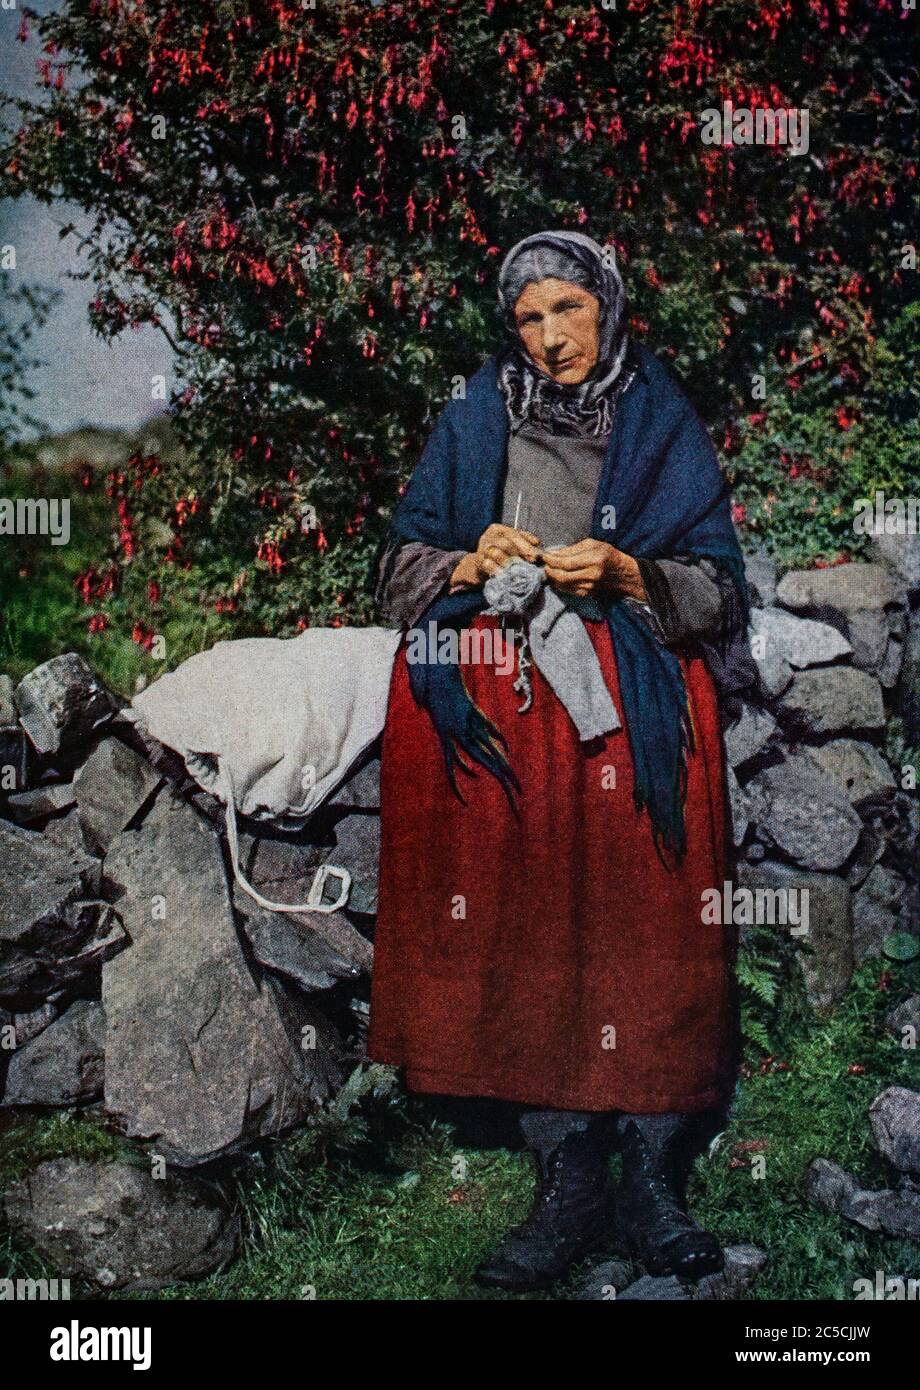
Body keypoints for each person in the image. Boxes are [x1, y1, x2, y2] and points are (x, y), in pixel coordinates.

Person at [367, 229, 753, 1292]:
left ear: (606, 308)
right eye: (530, 319)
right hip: (504, 695)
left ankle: (648, 1168)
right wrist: (462, 555)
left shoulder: (658, 416)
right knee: (521, 911)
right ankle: (564, 1168)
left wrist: (633, 573)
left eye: (566, 313)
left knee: (644, 907)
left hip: (630, 693)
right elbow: (395, 571)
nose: (549, 338)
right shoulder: (476, 411)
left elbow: (719, 586)